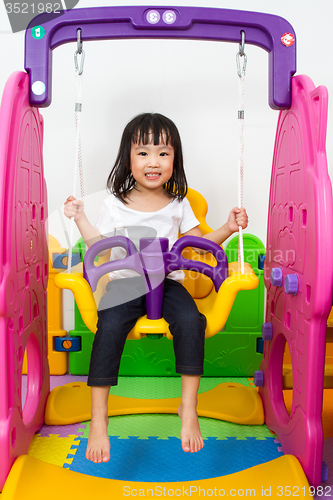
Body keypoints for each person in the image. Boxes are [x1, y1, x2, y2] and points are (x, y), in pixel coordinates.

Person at [64, 112, 248, 464]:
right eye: (143, 152)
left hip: (168, 282)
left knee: (192, 322)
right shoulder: (114, 204)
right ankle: (99, 418)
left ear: (175, 159)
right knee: (109, 327)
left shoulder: (179, 202)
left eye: (163, 153)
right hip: (125, 284)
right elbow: (98, 245)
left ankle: (188, 408)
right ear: (127, 158)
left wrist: (227, 227)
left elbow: (198, 244)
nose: (153, 162)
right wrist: (79, 217)